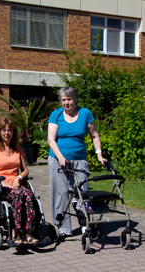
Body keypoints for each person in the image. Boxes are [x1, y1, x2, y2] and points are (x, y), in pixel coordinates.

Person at [47, 87, 106, 240]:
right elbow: (51, 139)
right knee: (61, 193)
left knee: (83, 192)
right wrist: (60, 157)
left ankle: (85, 225)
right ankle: (62, 227)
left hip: (80, 159)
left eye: (69, 99)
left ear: (75, 99)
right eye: (63, 100)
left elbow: (94, 135)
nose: (66, 103)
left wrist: (99, 154)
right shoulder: (56, 114)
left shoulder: (85, 113)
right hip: (57, 160)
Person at [0, 118, 38, 245]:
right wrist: (1, 182)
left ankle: (27, 232)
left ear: (13, 132)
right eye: (4, 130)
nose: (6, 133)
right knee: (18, 196)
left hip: (16, 183)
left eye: (9, 130)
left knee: (29, 195)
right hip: (0, 185)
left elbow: (25, 170)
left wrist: (18, 178)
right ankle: (15, 232)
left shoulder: (17, 148)